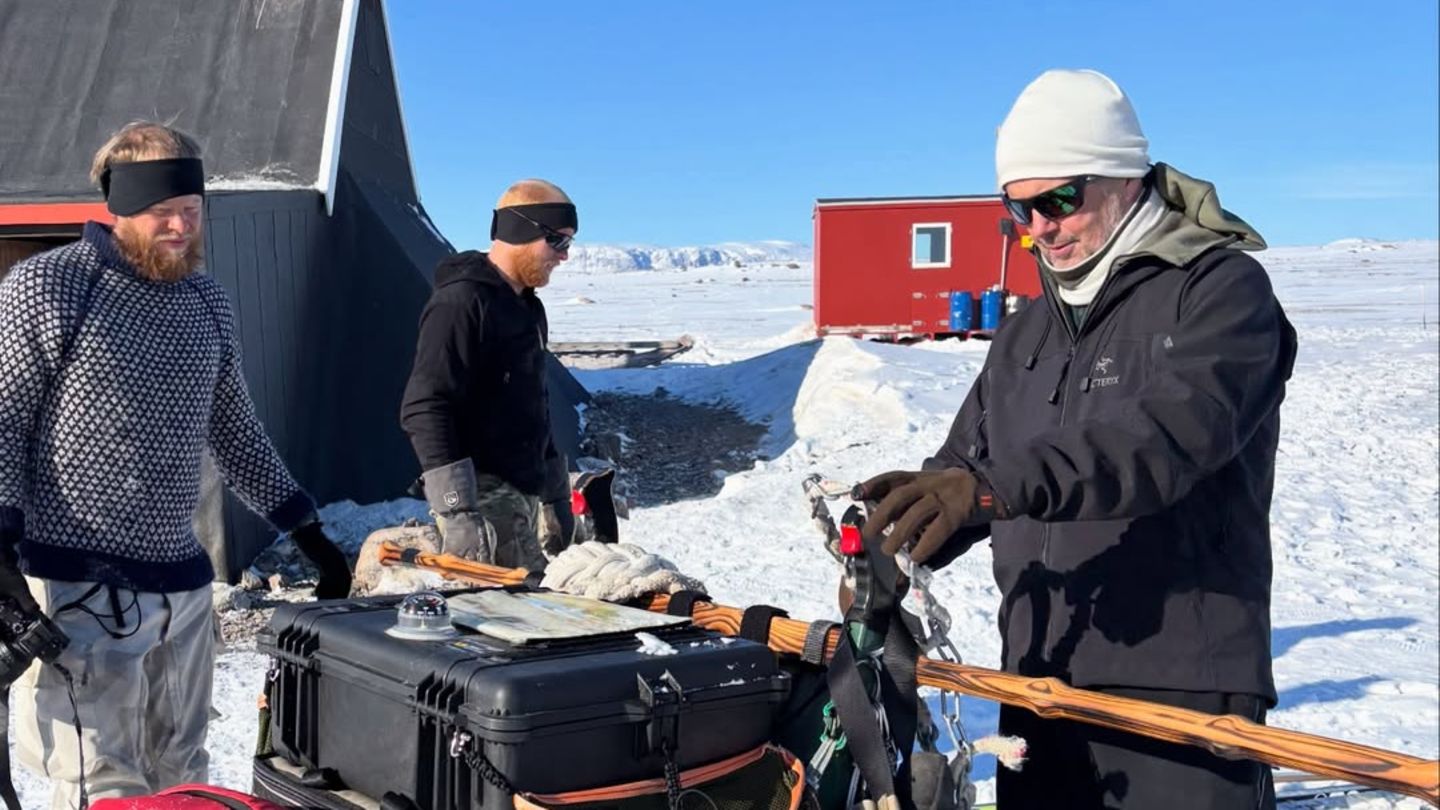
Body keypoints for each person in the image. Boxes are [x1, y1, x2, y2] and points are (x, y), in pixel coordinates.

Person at [858, 70, 1297, 809]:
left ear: (1124, 177)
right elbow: (967, 466)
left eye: (1059, 200)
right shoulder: (1028, 328)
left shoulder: (1220, 292)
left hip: (1179, 689)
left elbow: (1166, 439)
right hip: (1039, 681)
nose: (1040, 227)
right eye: (1019, 207)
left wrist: (990, 488)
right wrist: (896, 541)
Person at [0, 121, 352, 808]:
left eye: (192, 209)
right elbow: (4, 419)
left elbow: (236, 431)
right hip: (80, 589)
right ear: (119, 204)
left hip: (183, 594)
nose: (182, 227)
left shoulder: (204, 301)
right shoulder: (49, 286)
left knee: (184, 772)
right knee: (102, 784)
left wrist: (306, 530)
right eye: (163, 210)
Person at [400, 179, 577, 571]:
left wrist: (555, 495)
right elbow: (424, 406)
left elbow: (534, 407)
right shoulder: (461, 303)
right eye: (557, 241)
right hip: (482, 501)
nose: (564, 256)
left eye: (569, 243)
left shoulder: (529, 308)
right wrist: (457, 512)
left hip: (523, 496)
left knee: (545, 600)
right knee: (517, 605)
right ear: (522, 230)